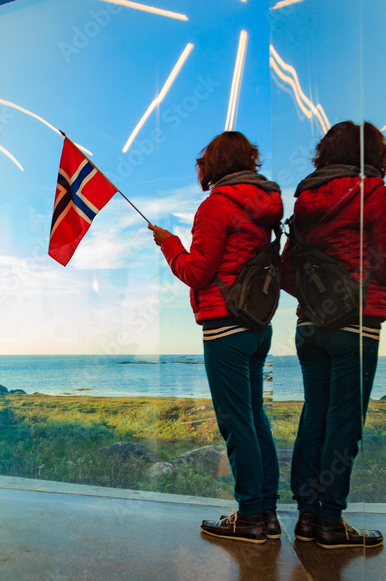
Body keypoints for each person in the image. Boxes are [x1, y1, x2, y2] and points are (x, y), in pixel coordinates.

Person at [150, 131, 283, 544]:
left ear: (214, 164)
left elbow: (196, 272)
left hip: (225, 327)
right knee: (255, 419)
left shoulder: (216, 207)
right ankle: (267, 514)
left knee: (235, 422)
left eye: (203, 160)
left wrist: (169, 245)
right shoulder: (264, 206)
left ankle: (248, 519)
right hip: (258, 328)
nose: (200, 167)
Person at [282, 121, 386, 549]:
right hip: (356, 324)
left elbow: (288, 272)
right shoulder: (376, 194)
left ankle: (307, 517)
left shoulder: (305, 201)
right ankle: (330, 523)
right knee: (344, 424)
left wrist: (318, 299)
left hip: (309, 325)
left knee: (314, 417)